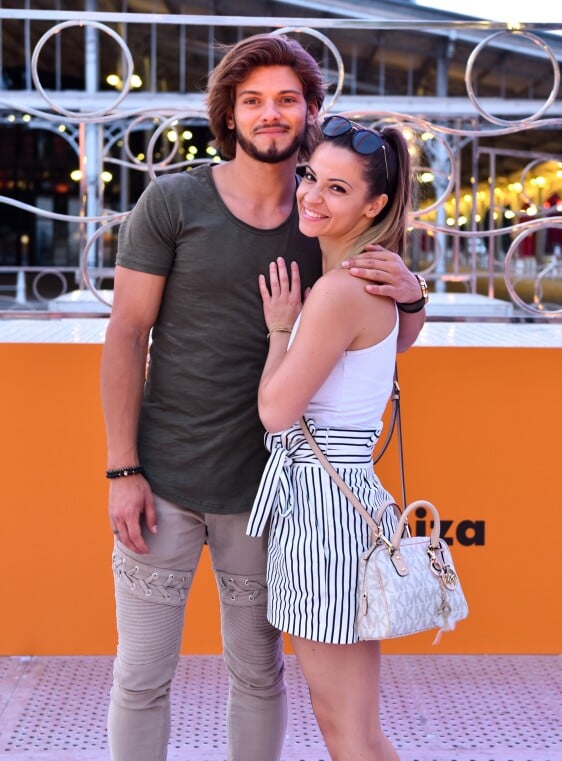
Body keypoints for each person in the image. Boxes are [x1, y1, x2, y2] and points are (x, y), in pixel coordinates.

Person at [100, 34, 425, 761]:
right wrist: (123, 468)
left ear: (311, 112)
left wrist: (416, 295)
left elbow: (386, 338)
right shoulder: (175, 201)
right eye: (253, 101)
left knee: (258, 673)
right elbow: (126, 335)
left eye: (286, 100)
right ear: (229, 113)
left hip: (272, 497)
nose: (270, 114)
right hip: (165, 481)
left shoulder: (326, 221)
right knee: (142, 673)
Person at [246, 116, 415, 761]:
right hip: (339, 505)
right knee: (354, 725)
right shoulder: (368, 280)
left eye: (337, 189)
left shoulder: (340, 291)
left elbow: (275, 413)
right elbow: (397, 343)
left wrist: (280, 329)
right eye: (311, 176)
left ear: (373, 205)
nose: (312, 195)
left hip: (323, 512)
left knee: (346, 728)